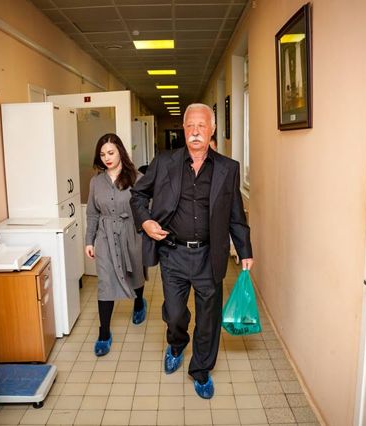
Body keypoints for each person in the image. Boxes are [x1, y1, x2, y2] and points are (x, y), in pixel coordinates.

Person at [130, 103, 253, 399]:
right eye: (190, 126)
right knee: (174, 314)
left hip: (210, 255)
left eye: (202, 125)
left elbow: (236, 214)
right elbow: (137, 194)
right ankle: (176, 344)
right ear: (183, 130)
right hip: (173, 252)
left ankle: (201, 370)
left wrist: (245, 250)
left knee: (208, 318)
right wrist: (145, 221)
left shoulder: (228, 168)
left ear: (212, 130)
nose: (195, 131)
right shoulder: (164, 162)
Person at [85, 133, 147, 357]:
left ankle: (139, 302)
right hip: (105, 235)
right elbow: (92, 213)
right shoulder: (96, 182)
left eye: (111, 153)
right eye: (102, 154)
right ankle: (104, 333)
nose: (107, 158)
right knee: (105, 281)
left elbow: (146, 208)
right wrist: (89, 240)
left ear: (120, 151)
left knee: (136, 274)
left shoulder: (137, 178)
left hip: (131, 232)